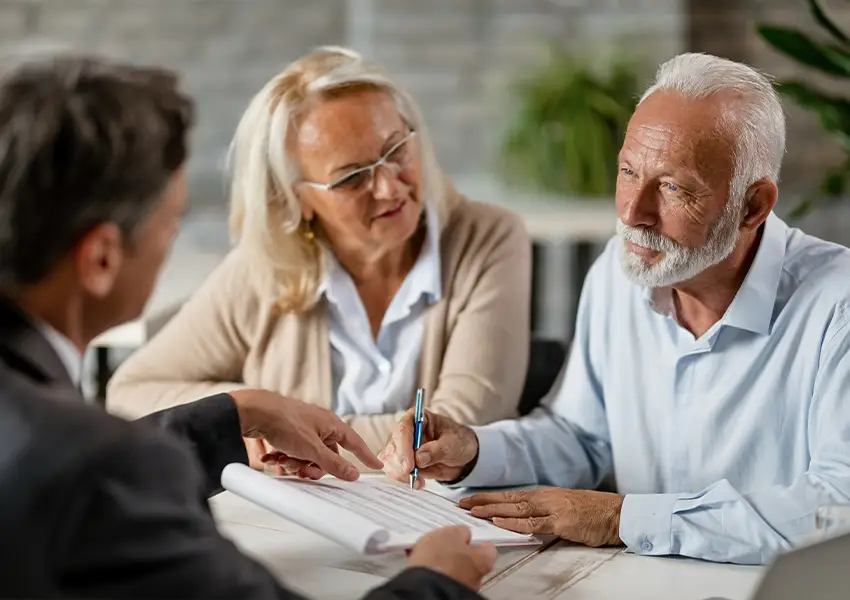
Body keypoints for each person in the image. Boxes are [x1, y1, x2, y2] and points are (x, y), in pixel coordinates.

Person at [0, 50, 497, 599]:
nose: (388, 187)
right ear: (101, 259)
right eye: (172, 224)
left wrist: (236, 414)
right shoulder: (106, 470)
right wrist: (437, 583)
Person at [379, 52, 850, 566]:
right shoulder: (618, 270)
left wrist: (621, 518)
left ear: (753, 206)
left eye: (672, 187)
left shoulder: (838, 305)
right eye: (628, 171)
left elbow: (838, 510)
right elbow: (582, 437)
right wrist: (473, 450)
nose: (631, 212)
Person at [104, 45, 532, 472]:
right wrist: (249, 413)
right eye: (352, 177)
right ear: (297, 200)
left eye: (397, 150)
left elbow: (460, 432)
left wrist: (290, 434)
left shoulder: (488, 237)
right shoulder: (266, 267)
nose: (390, 188)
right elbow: (131, 392)